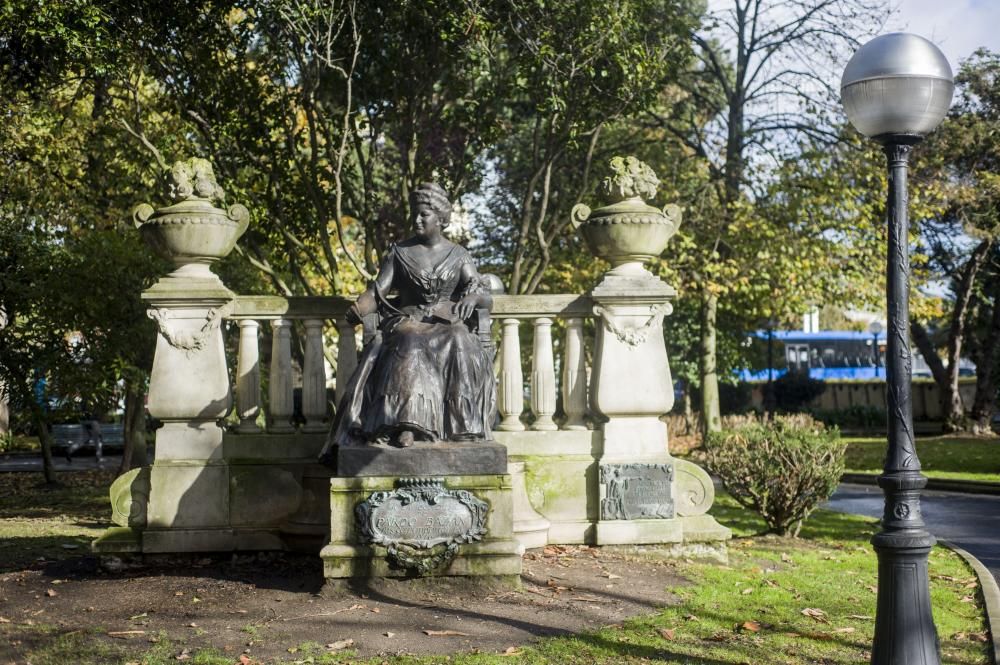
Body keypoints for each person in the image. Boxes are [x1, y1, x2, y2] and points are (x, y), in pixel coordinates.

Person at [323, 182, 496, 451]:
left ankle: (463, 425)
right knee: (410, 339)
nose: (416, 219)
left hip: (446, 322)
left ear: (440, 219)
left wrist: (472, 298)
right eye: (414, 213)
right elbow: (378, 290)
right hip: (408, 320)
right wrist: (360, 308)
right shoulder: (400, 253)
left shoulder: (459, 255)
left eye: (423, 214)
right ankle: (406, 425)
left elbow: (482, 293)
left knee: (461, 338)